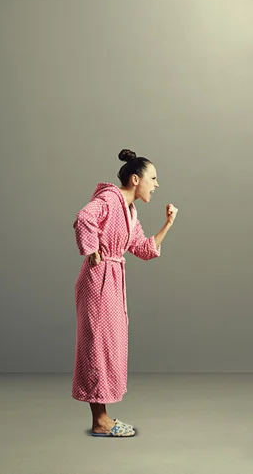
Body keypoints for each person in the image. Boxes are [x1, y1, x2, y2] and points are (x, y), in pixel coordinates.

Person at [72, 149, 178, 437]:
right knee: (98, 343)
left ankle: (102, 417)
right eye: (153, 178)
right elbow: (84, 218)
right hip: (98, 278)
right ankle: (100, 421)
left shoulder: (130, 211)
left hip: (114, 278)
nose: (156, 185)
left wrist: (167, 223)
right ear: (135, 179)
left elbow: (144, 249)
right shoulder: (109, 199)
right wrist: (92, 249)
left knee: (110, 343)